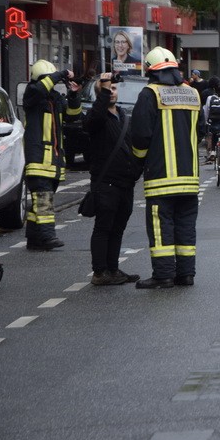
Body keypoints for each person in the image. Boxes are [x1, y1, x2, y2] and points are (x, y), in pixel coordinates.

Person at [130, 47, 205, 289]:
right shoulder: (193, 94)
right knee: (185, 226)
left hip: (161, 178)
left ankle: (163, 276)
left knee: (161, 228)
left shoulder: (149, 94)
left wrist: (139, 161)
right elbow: (200, 132)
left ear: (150, 70)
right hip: (189, 177)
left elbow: (140, 136)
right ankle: (186, 274)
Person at [84, 72, 142, 285]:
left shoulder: (124, 115)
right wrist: (104, 87)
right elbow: (96, 116)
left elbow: (133, 143)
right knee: (104, 227)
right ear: (101, 93)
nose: (112, 92)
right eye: (108, 89)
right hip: (106, 182)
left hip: (126, 182)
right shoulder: (96, 118)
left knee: (118, 228)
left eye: (114, 89)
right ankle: (100, 273)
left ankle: (113, 269)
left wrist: (135, 171)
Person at [23, 60, 81, 250]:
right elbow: (41, 88)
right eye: (49, 79)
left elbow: (72, 115)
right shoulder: (32, 94)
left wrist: (73, 95)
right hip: (38, 159)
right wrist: (60, 73)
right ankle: (48, 237)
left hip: (53, 161)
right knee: (44, 199)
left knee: (39, 202)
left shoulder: (55, 99)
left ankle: (33, 238)